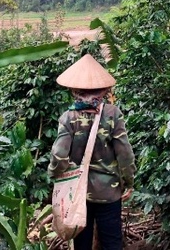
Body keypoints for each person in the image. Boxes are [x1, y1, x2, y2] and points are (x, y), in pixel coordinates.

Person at [49, 54, 136, 250]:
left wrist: (55, 175)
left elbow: (59, 155)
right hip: (109, 192)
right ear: (104, 90)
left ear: (74, 91)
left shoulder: (68, 117)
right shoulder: (113, 114)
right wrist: (128, 181)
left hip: (78, 195)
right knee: (112, 242)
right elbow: (125, 153)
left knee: (81, 244)